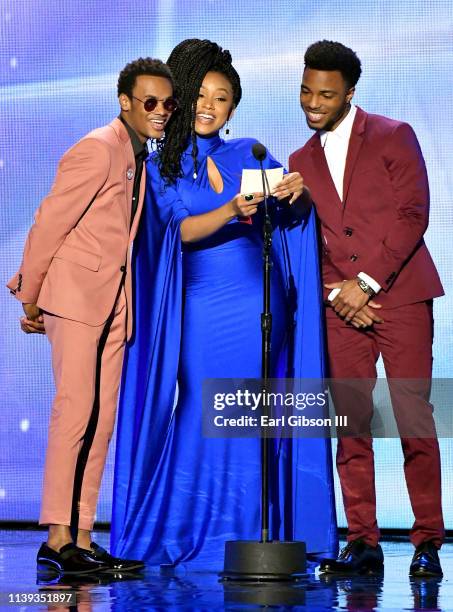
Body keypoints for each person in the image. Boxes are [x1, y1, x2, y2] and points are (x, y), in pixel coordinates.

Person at [111, 38, 338, 568]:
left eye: (223, 97)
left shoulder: (253, 153)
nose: (210, 106)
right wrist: (233, 211)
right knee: (200, 407)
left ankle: (249, 534)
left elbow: (288, 217)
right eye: (201, 95)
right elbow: (178, 231)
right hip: (201, 309)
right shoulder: (160, 166)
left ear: (234, 106)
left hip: (259, 306)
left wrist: (297, 195)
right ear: (182, 98)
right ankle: (185, 534)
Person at [7, 57, 178, 575]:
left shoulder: (135, 155)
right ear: (124, 101)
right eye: (150, 102)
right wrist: (29, 294)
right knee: (75, 411)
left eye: (168, 104)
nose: (161, 112)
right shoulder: (98, 148)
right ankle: (57, 538)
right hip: (78, 298)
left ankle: (81, 534)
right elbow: (50, 220)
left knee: (102, 420)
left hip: (113, 303)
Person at [289, 40, 444, 576]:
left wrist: (366, 282)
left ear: (350, 93)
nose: (312, 102)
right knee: (350, 423)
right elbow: (314, 240)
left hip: (400, 296)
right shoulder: (299, 161)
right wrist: (341, 294)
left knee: (413, 420)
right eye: (306, 91)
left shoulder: (391, 134)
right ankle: (363, 543)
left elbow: (413, 214)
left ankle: (427, 541)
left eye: (325, 94)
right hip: (341, 308)